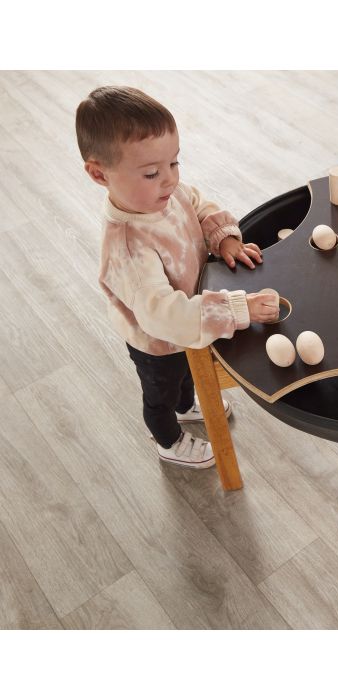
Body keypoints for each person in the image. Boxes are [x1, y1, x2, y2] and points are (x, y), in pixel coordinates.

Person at [76, 85, 278, 469]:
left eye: (175, 162)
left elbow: (196, 203)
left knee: (188, 368)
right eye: (153, 172)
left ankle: (187, 406)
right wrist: (239, 309)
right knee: (162, 391)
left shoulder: (164, 193)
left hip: (190, 317)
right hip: (157, 340)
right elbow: (166, 316)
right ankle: (167, 438)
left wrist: (224, 237)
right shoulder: (129, 248)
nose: (170, 180)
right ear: (99, 173)